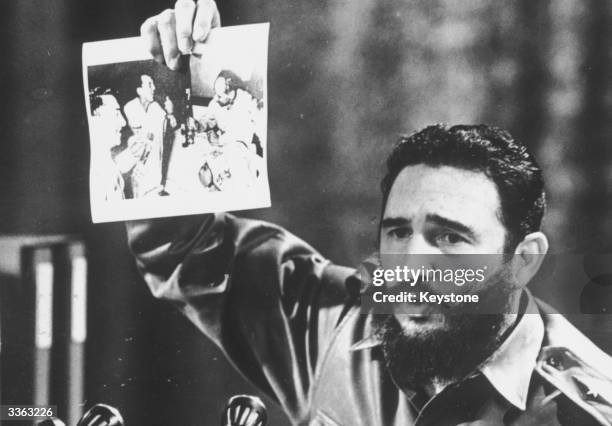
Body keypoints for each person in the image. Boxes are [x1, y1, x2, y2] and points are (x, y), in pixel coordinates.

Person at [128, 2, 612, 425]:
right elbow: (186, 249)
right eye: (399, 231)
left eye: (449, 238)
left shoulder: (588, 412)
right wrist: (176, 75)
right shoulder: (338, 324)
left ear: (523, 260)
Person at [123, 74, 177, 198]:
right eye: (149, 85)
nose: (154, 87)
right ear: (139, 91)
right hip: (139, 172)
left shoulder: (155, 107)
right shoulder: (130, 108)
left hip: (156, 169)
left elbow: (170, 127)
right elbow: (143, 138)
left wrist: (170, 114)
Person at [89, 88, 145, 201]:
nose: (124, 122)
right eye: (116, 113)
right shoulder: (96, 178)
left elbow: (110, 168)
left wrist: (131, 155)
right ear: (94, 118)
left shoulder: (99, 158)